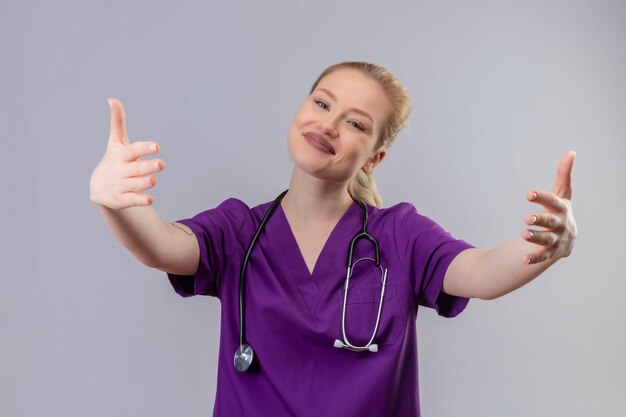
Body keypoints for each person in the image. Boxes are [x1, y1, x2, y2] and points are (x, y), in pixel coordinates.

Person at [89, 61, 577, 416]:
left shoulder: (400, 235)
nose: (328, 123)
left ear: (374, 158)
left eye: (355, 123)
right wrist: (117, 203)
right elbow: (161, 246)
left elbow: (481, 271)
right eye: (322, 102)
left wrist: (542, 249)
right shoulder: (238, 230)